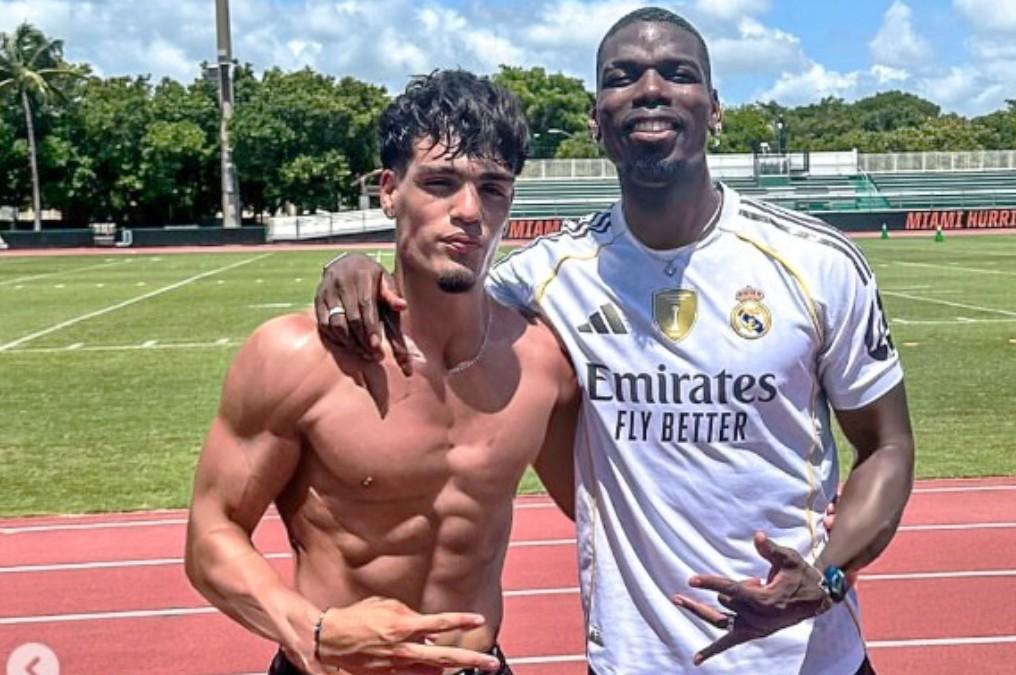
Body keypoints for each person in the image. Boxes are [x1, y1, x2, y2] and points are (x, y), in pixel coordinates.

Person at [315, 7, 915, 674]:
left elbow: (887, 443)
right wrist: (353, 270)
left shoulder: (820, 264)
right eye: (623, 76)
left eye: (678, 74)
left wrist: (826, 577)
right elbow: (434, 294)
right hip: (634, 659)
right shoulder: (541, 280)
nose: (651, 88)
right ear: (596, 120)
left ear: (714, 109)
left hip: (811, 658)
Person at [185, 69, 579, 675]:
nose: (469, 211)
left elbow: (607, 508)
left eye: (492, 187)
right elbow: (211, 535)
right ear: (390, 192)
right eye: (441, 183)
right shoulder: (298, 359)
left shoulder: (541, 362)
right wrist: (313, 631)